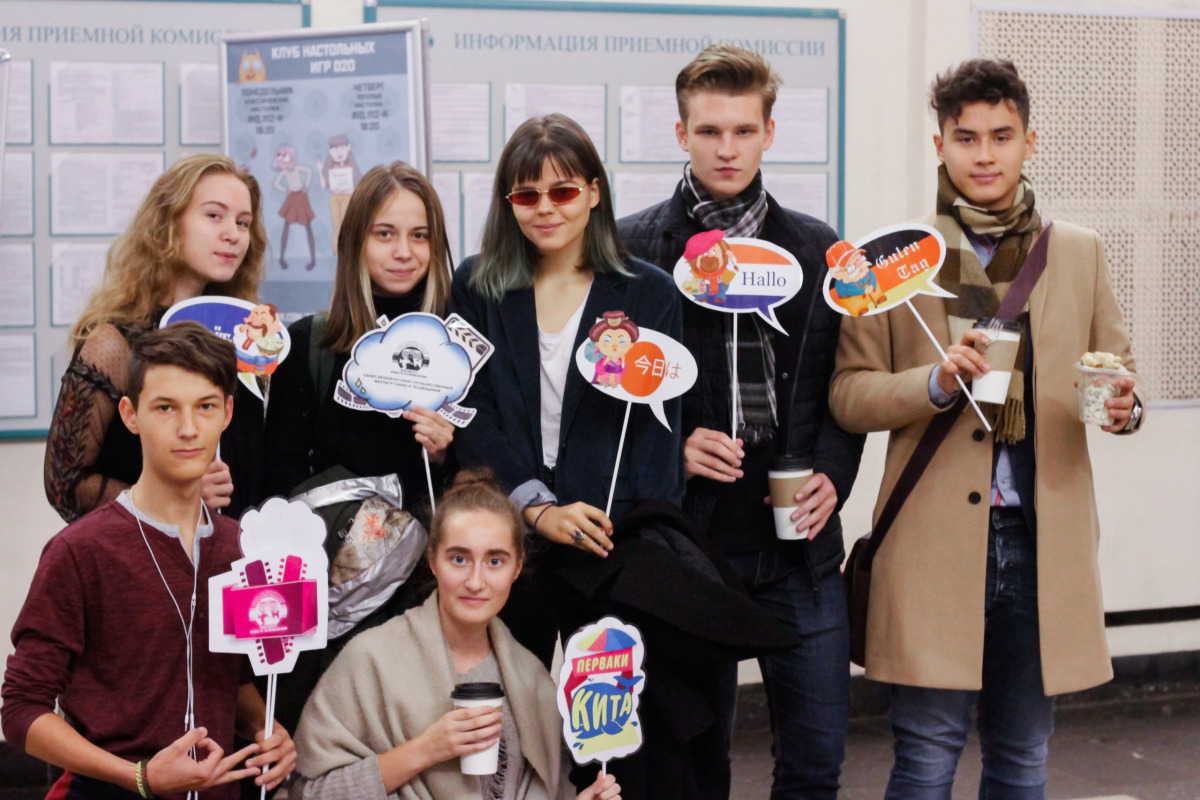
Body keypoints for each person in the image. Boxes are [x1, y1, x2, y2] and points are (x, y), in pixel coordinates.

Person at [829, 59, 1146, 799]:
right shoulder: (890, 262)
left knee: (1023, 756)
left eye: (1001, 136)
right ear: (939, 144)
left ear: (1029, 142)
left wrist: (1124, 410)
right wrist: (935, 383)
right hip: (929, 539)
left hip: (1041, 541)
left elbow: (1117, 372)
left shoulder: (1076, 251)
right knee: (926, 756)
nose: (984, 154)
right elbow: (848, 395)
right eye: (966, 137)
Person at [616, 44, 864, 799]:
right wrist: (671, 445)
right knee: (695, 769)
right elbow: (602, 397)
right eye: (710, 131)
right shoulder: (632, 250)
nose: (727, 148)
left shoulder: (817, 249)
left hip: (800, 549)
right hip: (689, 545)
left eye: (744, 131)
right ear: (681, 134)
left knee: (816, 765)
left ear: (769, 134)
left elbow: (843, 388)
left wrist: (835, 475)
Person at [3, 323, 296, 799]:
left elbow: (225, 678)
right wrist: (139, 776)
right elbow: (21, 711)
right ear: (130, 414)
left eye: (205, 406)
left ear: (227, 413)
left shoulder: (242, 549)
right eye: (165, 407)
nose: (188, 428)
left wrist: (267, 727)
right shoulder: (81, 551)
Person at [450, 113, 684, 664]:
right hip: (507, 539)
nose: (546, 208)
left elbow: (657, 434)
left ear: (594, 193)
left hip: (610, 542)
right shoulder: (478, 285)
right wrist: (537, 508)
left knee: (606, 708)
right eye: (526, 195)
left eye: (563, 191)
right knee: (503, 703)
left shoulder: (650, 293)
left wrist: (643, 546)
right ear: (508, 203)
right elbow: (471, 412)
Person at [290, 471, 622, 800]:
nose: (475, 581)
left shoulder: (534, 682)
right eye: (459, 559)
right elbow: (309, 793)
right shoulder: (369, 659)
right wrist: (425, 750)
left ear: (517, 567)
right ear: (433, 560)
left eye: (495, 561)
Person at [44, 153, 267, 522]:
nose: (233, 234)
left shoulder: (245, 336)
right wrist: (171, 499)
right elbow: (65, 483)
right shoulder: (114, 342)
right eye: (214, 215)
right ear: (169, 222)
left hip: (233, 548)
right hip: (144, 553)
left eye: (243, 223)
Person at [263, 161, 456, 509]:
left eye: (419, 235)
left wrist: (444, 455)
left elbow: (485, 483)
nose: (403, 252)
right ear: (355, 241)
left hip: (433, 541)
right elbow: (279, 479)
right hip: (329, 541)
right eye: (384, 234)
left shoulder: (458, 345)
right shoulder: (309, 345)